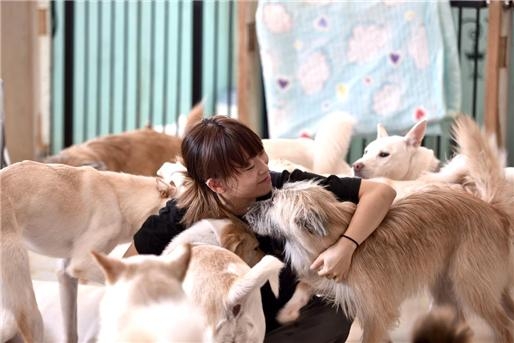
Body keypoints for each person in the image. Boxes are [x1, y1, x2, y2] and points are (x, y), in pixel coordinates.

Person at [124, 115, 396, 342]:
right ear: (215, 184)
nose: (263, 168)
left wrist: (346, 246)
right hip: (216, 326)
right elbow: (126, 273)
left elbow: (380, 193)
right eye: (247, 166)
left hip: (280, 317)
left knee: (335, 312)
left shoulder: (283, 185)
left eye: (260, 155)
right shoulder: (178, 217)